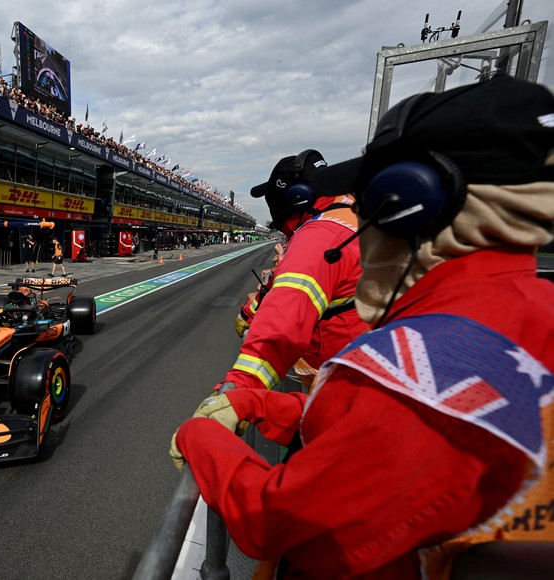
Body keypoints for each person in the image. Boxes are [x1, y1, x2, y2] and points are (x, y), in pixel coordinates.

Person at [170, 75, 554, 578]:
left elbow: (279, 517)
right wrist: (258, 403)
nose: (361, 226)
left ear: (408, 203)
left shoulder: (425, 365)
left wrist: (200, 434)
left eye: (370, 203)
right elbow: (367, 431)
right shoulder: (530, 309)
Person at [227, 148, 367, 392]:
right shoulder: (350, 209)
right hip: (361, 359)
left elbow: (284, 315)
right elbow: (296, 274)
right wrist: (254, 306)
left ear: (297, 196)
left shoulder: (318, 235)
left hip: (336, 378)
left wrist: (237, 392)